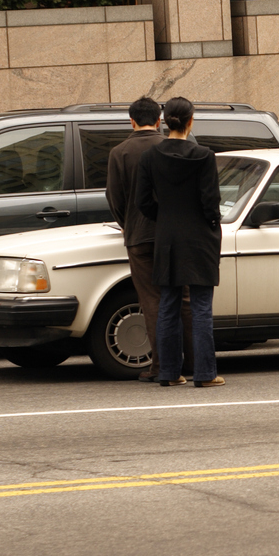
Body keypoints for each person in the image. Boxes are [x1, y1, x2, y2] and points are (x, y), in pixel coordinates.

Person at [136, 97, 225, 387]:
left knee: (168, 304)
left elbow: (143, 202)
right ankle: (205, 373)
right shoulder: (204, 155)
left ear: (165, 120)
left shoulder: (150, 157)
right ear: (190, 121)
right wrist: (212, 224)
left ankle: (170, 373)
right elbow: (211, 202)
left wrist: (164, 218)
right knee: (200, 305)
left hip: (167, 236)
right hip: (199, 236)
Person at [105, 96, 192, 383]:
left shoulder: (120, 152)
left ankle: (162, 366)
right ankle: (194, 361)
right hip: (176, 233)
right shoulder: (171, 147)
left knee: (152, 300)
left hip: (139, 236)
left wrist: (127, 224)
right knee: (185, 298)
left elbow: (115, 198)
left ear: (131, 121)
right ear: (159, 120)